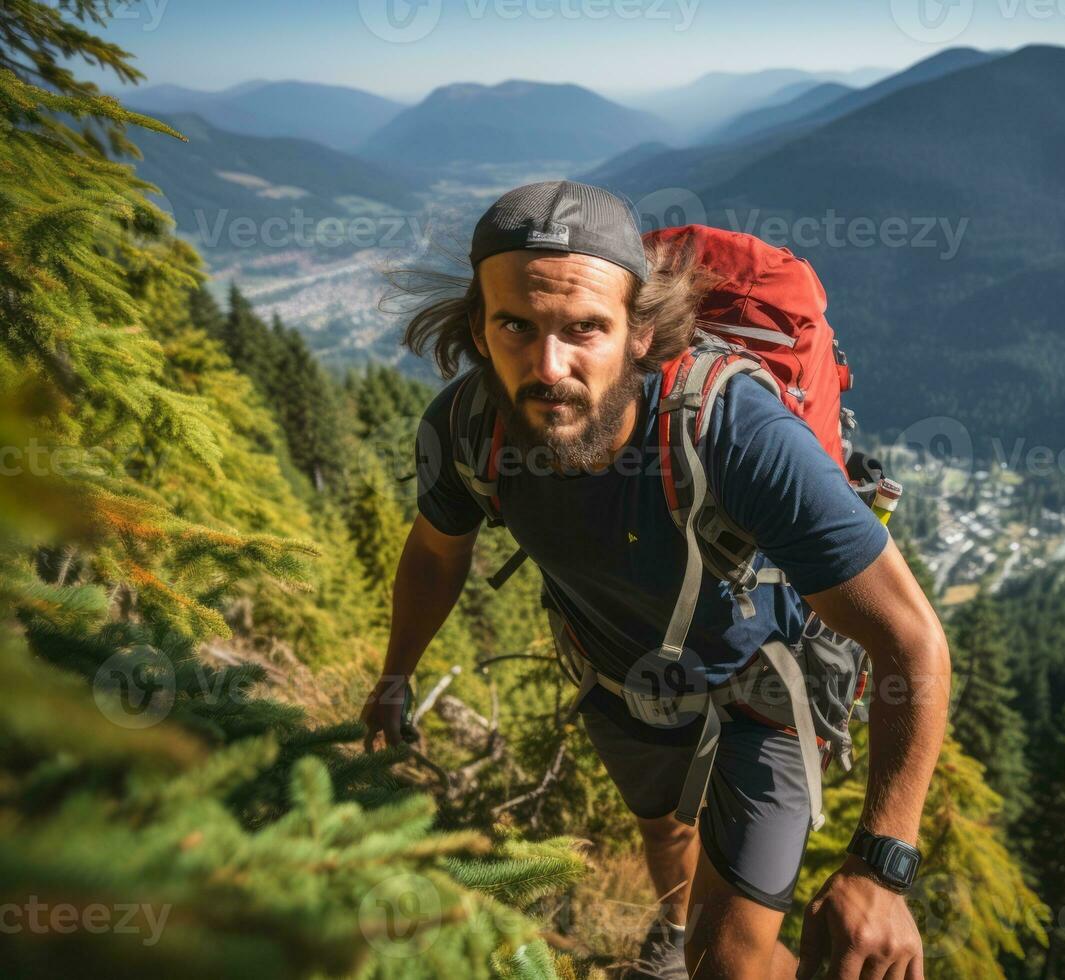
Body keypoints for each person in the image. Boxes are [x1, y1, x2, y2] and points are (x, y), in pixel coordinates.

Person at [361, 180, 950, 980]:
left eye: (585, 329)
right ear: (478, 326)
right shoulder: (467, 428)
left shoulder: (735, 434)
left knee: (727, 965)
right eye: (515, 326)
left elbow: (909, 637)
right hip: (617, 677)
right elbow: (435, 552)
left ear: (638, 332)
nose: (548, 366)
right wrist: (395, 675)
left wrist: (882, 869)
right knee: (665, 832)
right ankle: (672, 933)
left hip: (762, 694)